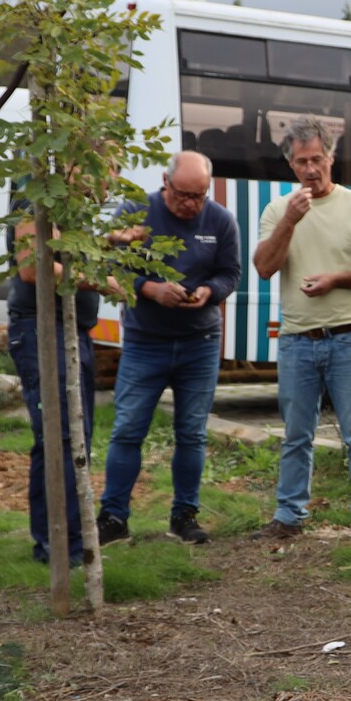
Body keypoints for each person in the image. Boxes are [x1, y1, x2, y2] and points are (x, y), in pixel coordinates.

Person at [254, 118, 351, 542]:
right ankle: (288, 515)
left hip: (349, 336)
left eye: (317, 159)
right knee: (296, 435)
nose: (311, 169)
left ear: (331, 157)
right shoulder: (278, 210)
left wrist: (336, 279)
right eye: (302, 162)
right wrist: (289, 222)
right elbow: (264, 268)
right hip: (297, 340)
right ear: (291, 165)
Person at [95, 152, 241, 546]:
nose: (190, 204)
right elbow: (112, 265)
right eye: (183, 195)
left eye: (199, 196)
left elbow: (230, 273)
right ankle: (113, 517)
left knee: (192, 433)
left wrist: (210, 291)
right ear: (165, 182)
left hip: (200, 342)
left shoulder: (221, 220)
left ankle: (184, 516)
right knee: (128, 429)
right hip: (146, 340)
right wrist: (150, 289)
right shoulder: (136, 213)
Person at [2, 207, 100, 569]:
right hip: (43, 329)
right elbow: (33, 269)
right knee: (62, 437)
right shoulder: (36, 206)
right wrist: (101, 279)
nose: (107, 182)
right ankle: (63, 544)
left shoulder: (74, 211)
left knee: (71, 438)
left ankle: (59, 540)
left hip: (73, 330)